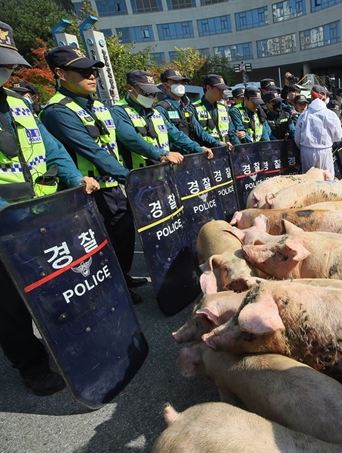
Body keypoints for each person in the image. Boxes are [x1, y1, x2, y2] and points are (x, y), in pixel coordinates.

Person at [0, 26, 100, 396]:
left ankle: (68, 347)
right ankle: (30, 364)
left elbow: (52, 147)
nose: (5, 71)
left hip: (41, 216)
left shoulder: (16, 101)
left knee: (54, 285)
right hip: (5, 223)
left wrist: (75, 177)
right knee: (9, 304)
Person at [41, 47, 154, 304]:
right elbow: (91, 151)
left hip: (113, 186)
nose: (92, 76)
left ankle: (121, 277)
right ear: (60, 73)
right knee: (97, 244)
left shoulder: (99, 105)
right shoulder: (57, 111)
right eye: (82, 71)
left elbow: (123, 142)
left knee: (123, 236)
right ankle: (108, 288)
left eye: (93, 71)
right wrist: (131, 177)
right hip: (86, 192)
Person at [111, 70, 211, 169]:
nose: (150, 96)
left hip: (163, 171)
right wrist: (162, 154)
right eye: (145, 92)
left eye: (153, 93)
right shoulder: (118, 111)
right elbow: (131, 139)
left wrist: (198, 148)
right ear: (129, 88)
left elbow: (175, 134)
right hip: (139, 175)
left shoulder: (154, 112)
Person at [155, 69, 226, 149]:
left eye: (182, 83)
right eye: (176, 82)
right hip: (176, 157)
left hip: (191, 155)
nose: (180, 85)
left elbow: (200, 132)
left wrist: (217, 143)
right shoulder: (161, 109)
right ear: (165, 85)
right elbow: (175, 135)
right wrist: (197, 148)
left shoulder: (185, 108)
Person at [294, 85, 342, 177]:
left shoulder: (304, 115)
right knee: (327, 179)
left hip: (306, 150)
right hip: (325, 150)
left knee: (308, 180)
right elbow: (338, 136)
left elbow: (297, 138)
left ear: (311, 97)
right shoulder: (331, 115)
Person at [192, 74, 236, 146]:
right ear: (208, 88)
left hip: (226, 150)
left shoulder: (224, 107)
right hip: (207, 153)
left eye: (223, 90)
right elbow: (198, 134)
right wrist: (218, 143)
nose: (222, 92)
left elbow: (232, 132)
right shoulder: (193, 108)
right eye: (219, 89)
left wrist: (240, 149)